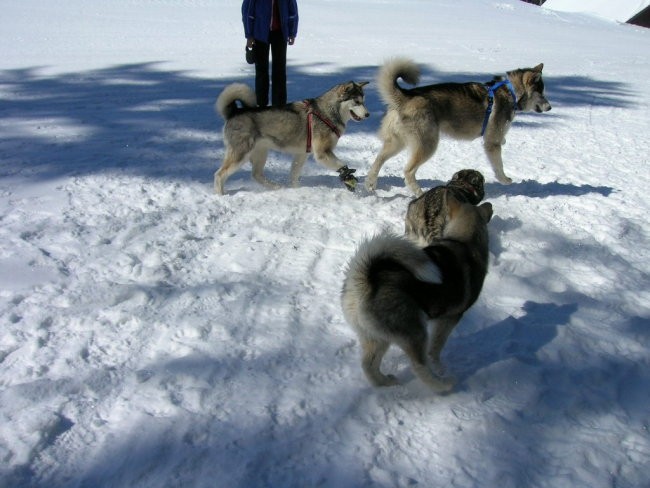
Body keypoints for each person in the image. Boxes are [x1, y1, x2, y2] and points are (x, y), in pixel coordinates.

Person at [242, 0, 298, 107]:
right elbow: (247, 11)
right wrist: (249, 35)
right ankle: (261, 105)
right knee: (261, 71)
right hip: (260, 34)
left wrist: (292, 32)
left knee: (280, 71)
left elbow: (292, 9)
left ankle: (279, 106)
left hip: (280, 33)